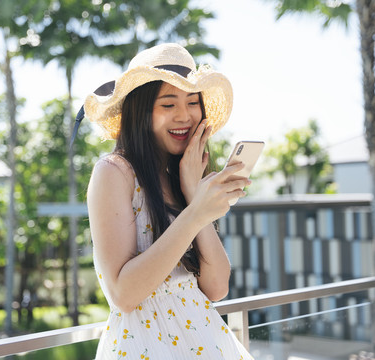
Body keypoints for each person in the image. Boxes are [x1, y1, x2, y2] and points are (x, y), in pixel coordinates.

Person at [83, 43, 253, 359]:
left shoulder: (180, 176)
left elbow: (217, 287)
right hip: (145, 346)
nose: (184, 116)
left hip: (205, 341)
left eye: (192, 102)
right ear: (141, 111)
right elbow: (124, 293)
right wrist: (196, 211)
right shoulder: (114, 172)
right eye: (168, 103)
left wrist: (192, 193)